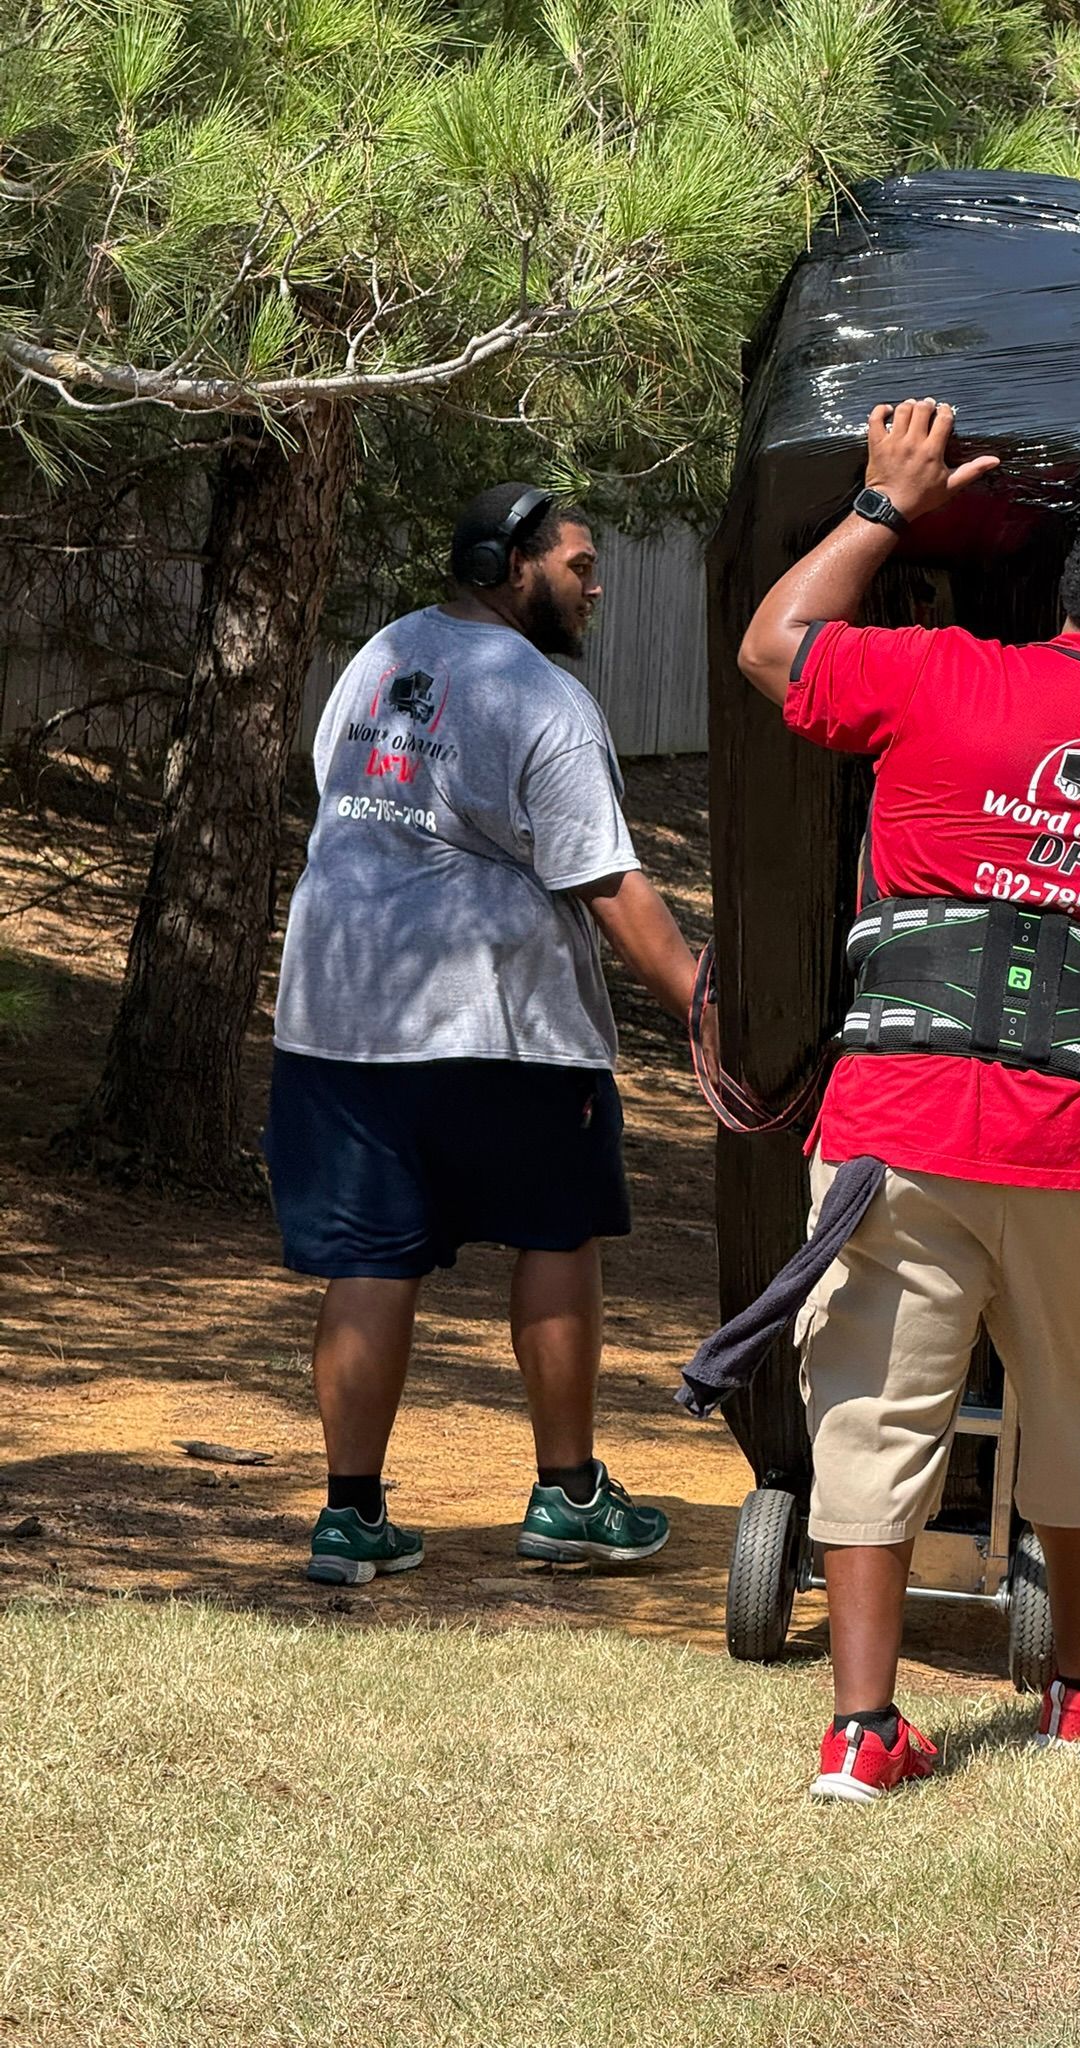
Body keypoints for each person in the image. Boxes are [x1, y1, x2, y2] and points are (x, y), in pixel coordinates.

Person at [736, 398, 1080, 1800]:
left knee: (874, 1411)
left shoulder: (947, 679)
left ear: (1068, 596)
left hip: (898, 1128)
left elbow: (771, 649)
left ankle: (863, 1729)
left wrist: (885, 507)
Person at [266, 482, 699, 1586]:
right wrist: (703, 1009)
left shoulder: (376, 659)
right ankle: (569, 1497)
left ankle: (349, 1515)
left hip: (341, 1012)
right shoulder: (541, 697)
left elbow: (343, 796)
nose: (596, 588)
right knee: (556, 1235)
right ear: (514, 568)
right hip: (500, 1024)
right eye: (580, 567)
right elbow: (607, 880)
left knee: (371, 1257)